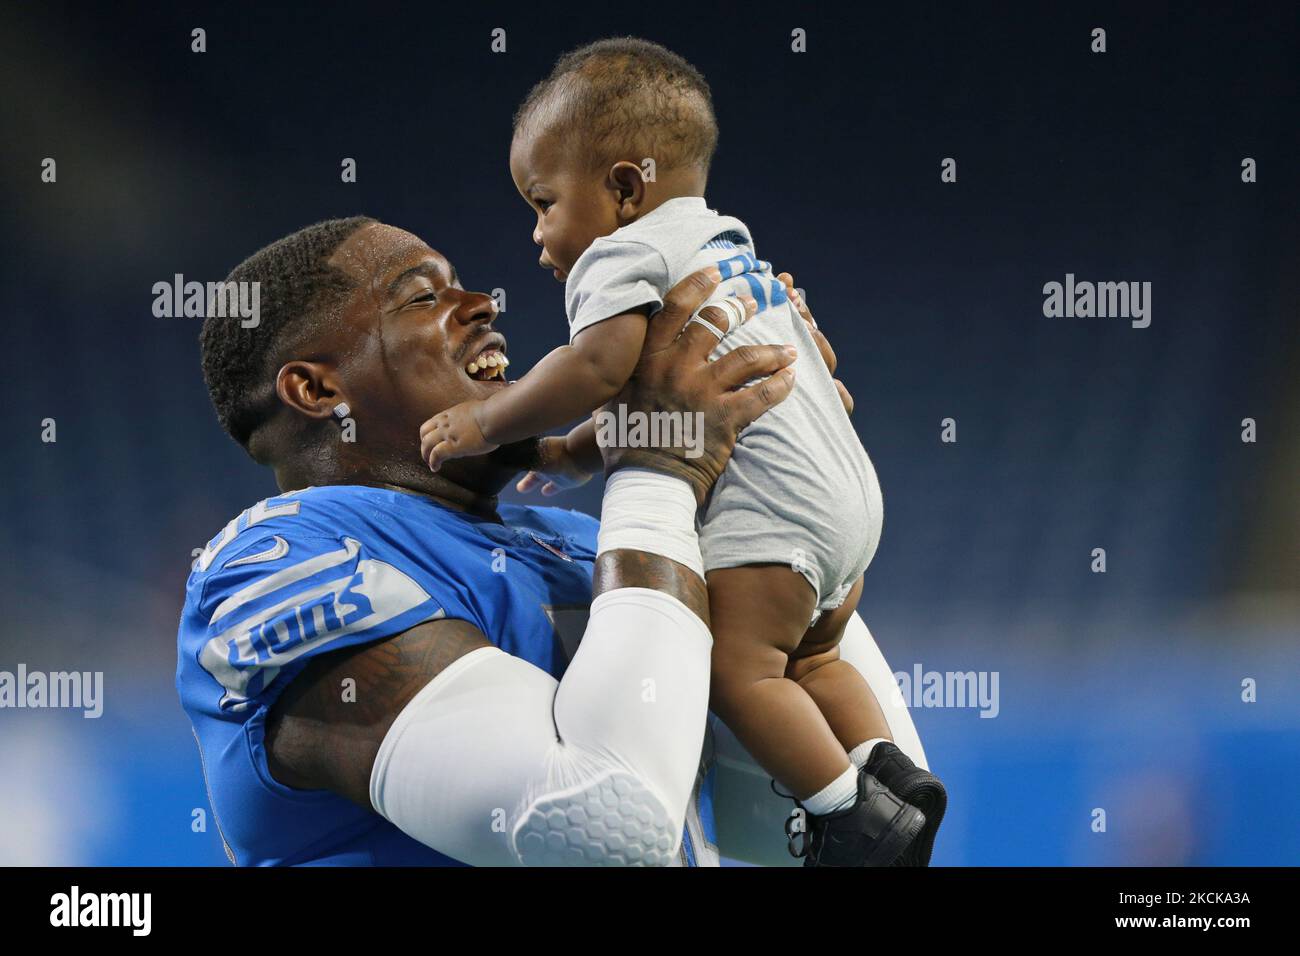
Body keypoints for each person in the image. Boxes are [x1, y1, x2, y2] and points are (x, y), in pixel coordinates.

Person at [178, 216, 929, 867]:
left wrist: (775, 463)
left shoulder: (582, 541)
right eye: (422, 297)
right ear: (317, 392)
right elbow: (601, 827)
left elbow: (858, 819)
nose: (480, 306)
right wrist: (660, 461)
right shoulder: (279, 563)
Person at [418, 38, 945, 865]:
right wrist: (566, 456)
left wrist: (487, 425)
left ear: (625, 189)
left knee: (742, 669)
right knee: (816, 656)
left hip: (771, 515)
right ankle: (893, 774)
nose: (536, 234)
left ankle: (850, 816)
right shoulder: (728, 245)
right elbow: (649, 406)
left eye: (544, 202)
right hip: (847, 498)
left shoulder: (620, 256)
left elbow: (594, 368)